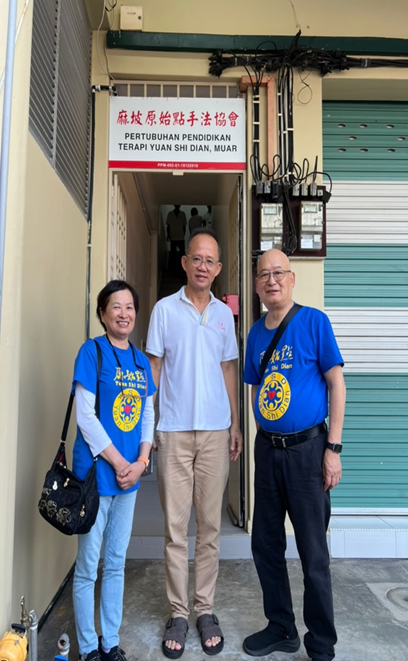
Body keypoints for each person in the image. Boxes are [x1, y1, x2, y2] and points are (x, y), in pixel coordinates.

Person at [243, 249, 346, 661]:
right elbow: (255, 385)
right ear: (256, 285)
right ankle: (281, 627)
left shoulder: (314, 322)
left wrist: (332, 449)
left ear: (291, 278)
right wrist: (262, 431)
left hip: (308, 451)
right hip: (268, 452)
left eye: (278, 273)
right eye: (264, 275)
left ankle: (321, 644)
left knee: (312, 552)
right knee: (265, 544)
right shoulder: (255, 333)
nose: (271, 280)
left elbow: (336, 385)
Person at [146, 228, 242, 659]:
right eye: (196, 259)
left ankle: (204, 609)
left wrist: (235, 424)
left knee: (209, 528)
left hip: (216, 432)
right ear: (184, 263)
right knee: (174, 529)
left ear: (218, 269)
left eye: (210, 261)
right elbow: (154, 369)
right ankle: (178, 613)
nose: (203, 267)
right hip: (173, 432)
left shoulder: (224, 315)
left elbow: (228, 370)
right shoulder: (164, 310)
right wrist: (148, 428)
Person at [72, 280, 156, 661]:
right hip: (96, 477)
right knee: (89, 566)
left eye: (129, 307)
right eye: (115, 307)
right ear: (103, 314)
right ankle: (89, 648)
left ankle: (110, 643)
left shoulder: (141, 362)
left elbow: (147, 415)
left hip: (129, 480)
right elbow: (85, 416)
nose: (124, 314)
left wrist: (141, 462)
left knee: (117, 563)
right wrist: (122, 463)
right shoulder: (91, 353)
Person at [166, 205, 187, 275]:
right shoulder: (170, 214)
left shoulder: (183, 214)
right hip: (173, 237)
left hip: (180, 237)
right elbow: (168, 226)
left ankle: (182, 270)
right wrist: (168, 235)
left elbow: (184, 226)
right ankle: (173, 270)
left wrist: (183, 236)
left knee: (182, 254)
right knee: (173, 255)